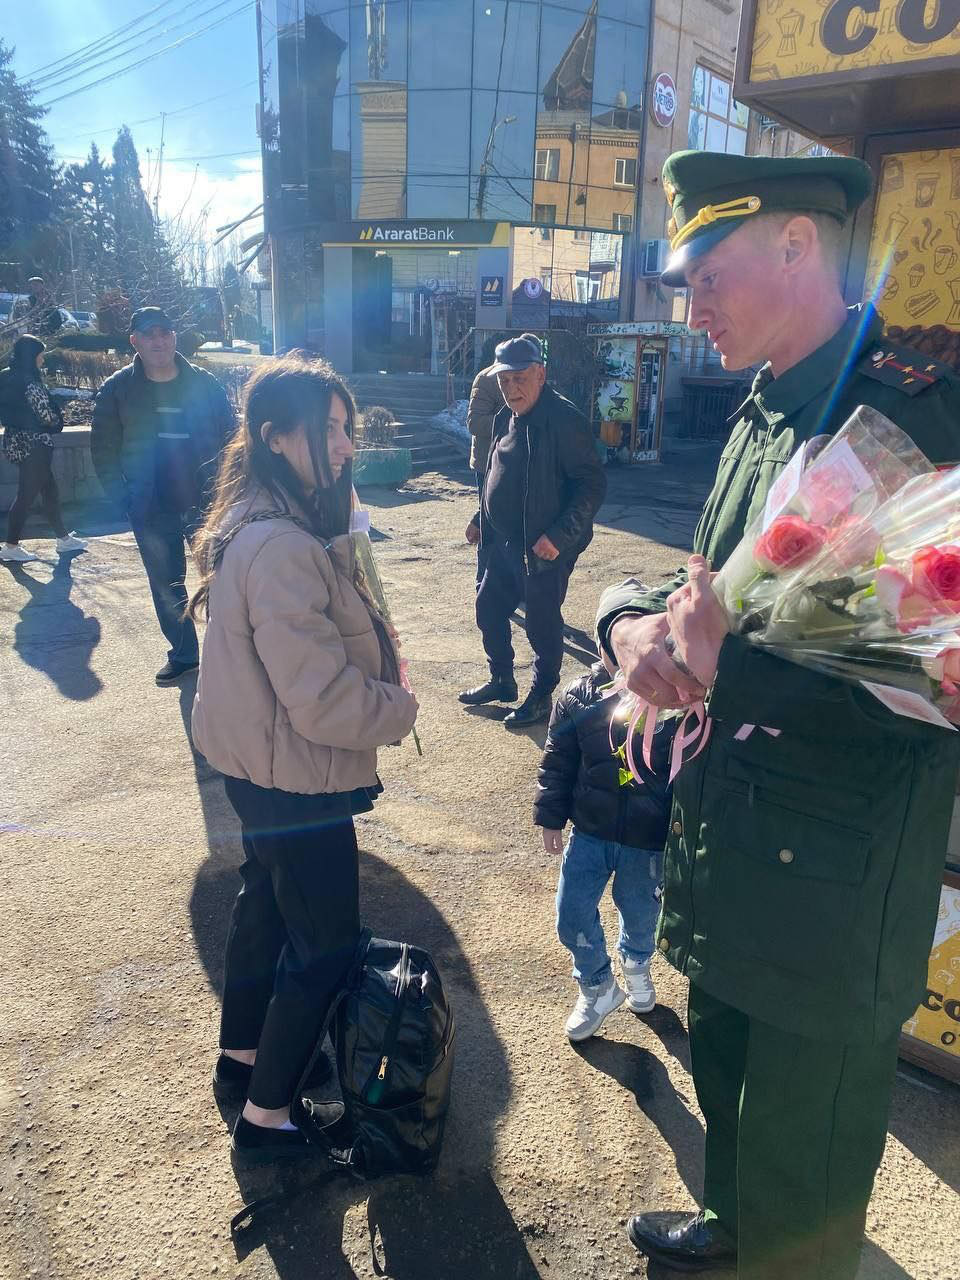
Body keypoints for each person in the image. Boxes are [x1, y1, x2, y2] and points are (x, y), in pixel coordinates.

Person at [597, 150, 960, 1280]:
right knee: (730, 1083)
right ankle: (730, 1221)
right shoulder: (760, 411)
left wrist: (730, 673)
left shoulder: (915, 418)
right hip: (731, 850)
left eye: (706, 276)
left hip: (832, 888)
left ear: (797, 244)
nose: (689, 307)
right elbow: (703, 582)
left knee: (808, 1160)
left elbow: (935, 688)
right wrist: (628, 626)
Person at [188, 353, 418, 1165]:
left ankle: (244, 1058)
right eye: (330, 430)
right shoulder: (283, 544)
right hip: (295, 776)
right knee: (324, 945)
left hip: (258, 768)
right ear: (276, 437)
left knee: (266, 906)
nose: (348, 445)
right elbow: (320, 699)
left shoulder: (258, 519)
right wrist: (399, 706)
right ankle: (268, 1118)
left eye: (348, 429)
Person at [460, 335, 606, 728]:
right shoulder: (503, 417)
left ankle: (541, 696)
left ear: (540, 374)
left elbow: (591, 485)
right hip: (503, 542)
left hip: (544, 548)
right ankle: (502, 680)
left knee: (542, 624)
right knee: (489, 608)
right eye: (504, 380)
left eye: (520, 378)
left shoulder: (564, 420)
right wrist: (480, 517)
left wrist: (559, 536)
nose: (511, 389)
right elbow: (496, 475)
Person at [533, 643, 675, 1041]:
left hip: (648, 839)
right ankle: (597, 984)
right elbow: (557, 759)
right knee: (571, 913)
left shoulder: (677, 696)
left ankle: (636, 962)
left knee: (642, 911)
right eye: (614, 642)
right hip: (590, 832)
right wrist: (550, 817)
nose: (625, 652)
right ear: (601, 644)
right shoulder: (578, 695)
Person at [91, 306, 235, 685]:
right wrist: (123, 498)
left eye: (165, 333)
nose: (159, 341)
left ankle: (231, 652)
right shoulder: (118, 390)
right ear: (134, 341)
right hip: (151, 507)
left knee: (224, 580)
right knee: (167, 587)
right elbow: (103, 449)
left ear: (174, 337)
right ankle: (185, 656)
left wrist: (231, 489)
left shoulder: (204, 384)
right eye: (149, 334)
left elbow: (233, 438)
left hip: (206, 503)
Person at [0, 334, 86, 562]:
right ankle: (11, 546)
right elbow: (46, 415)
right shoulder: (30, 381)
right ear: (32, 356)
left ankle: (63, 539)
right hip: (35, 443)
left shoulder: (6, 376)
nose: (42, 359)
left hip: (15, 440)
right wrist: (57, 420)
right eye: (40, 354)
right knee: (26, 495)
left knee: (49, 490)